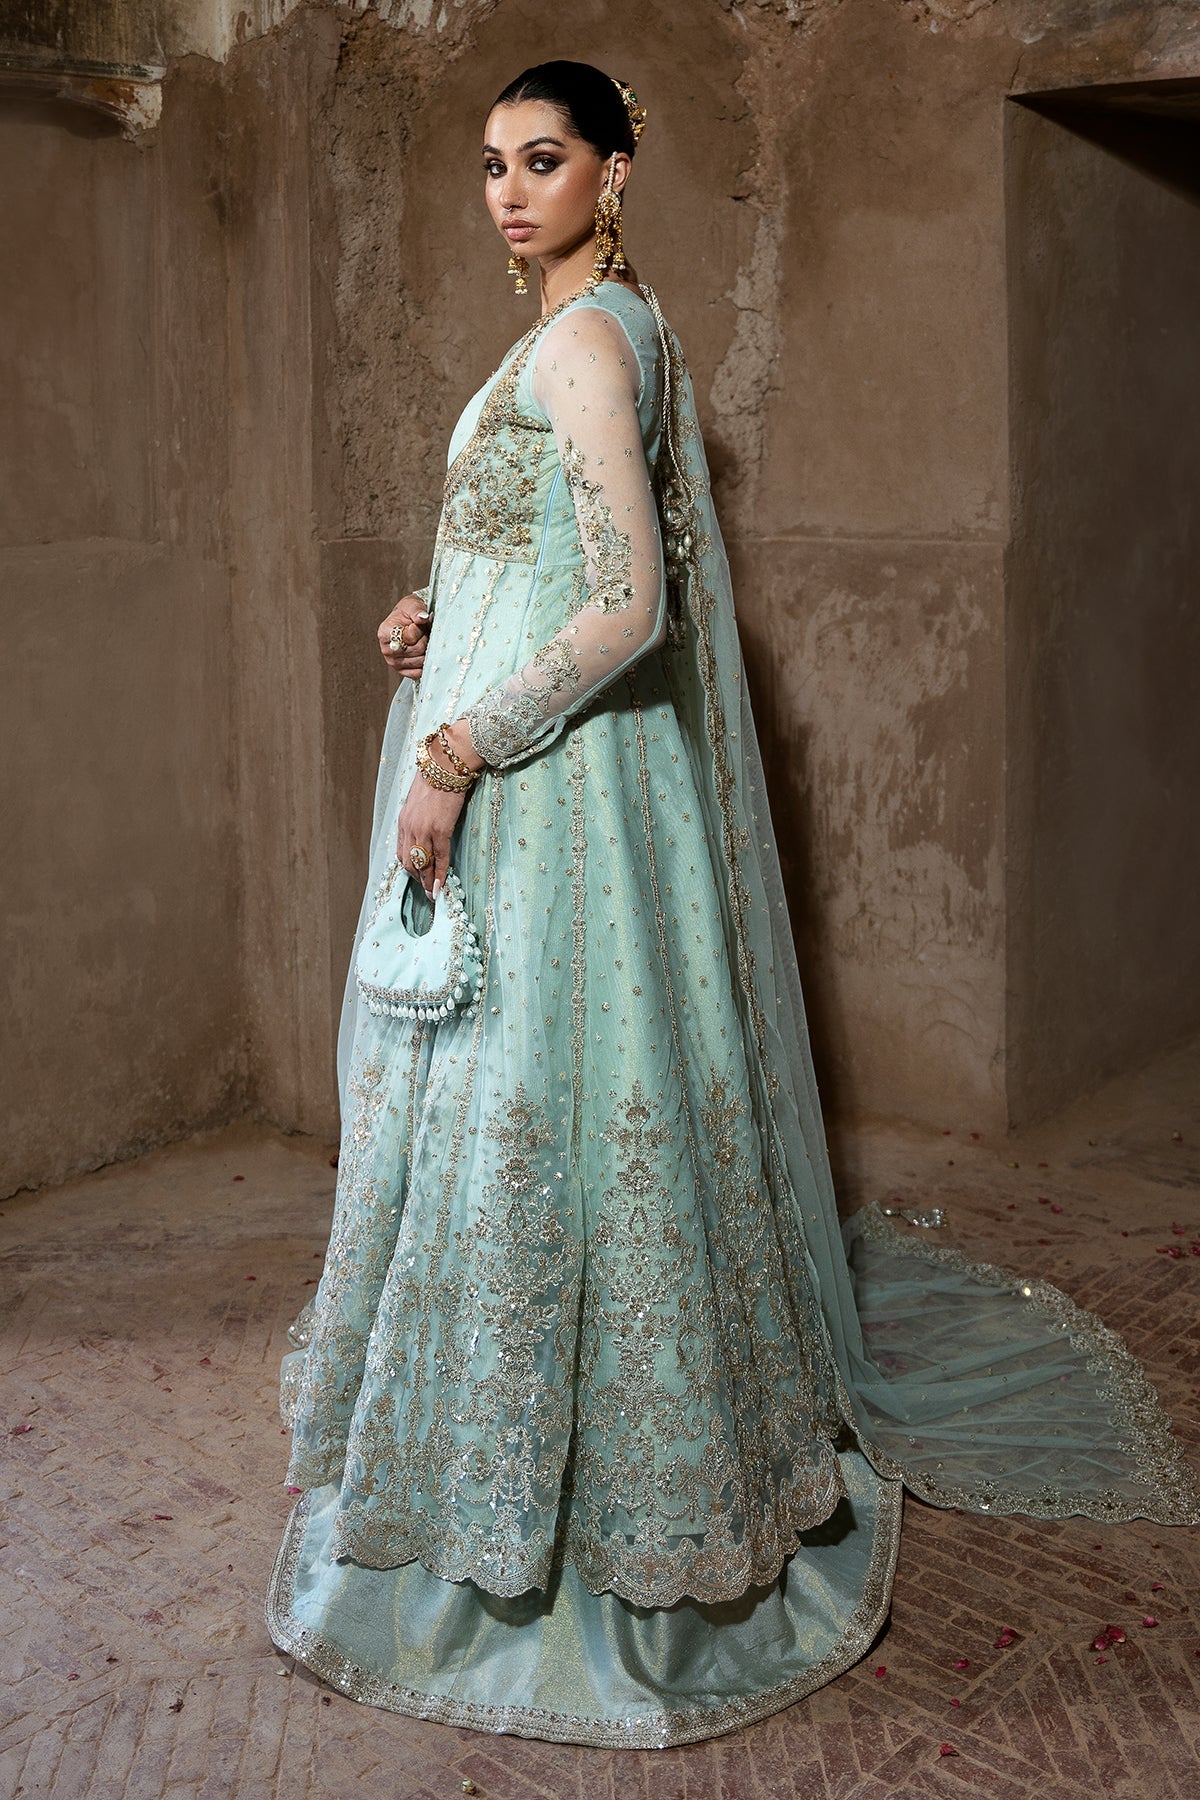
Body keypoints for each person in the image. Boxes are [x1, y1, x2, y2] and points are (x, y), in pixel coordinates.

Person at [265, 61, 1198, 1748]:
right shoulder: (604, 333)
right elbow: (549, 556)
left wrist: (456, 748)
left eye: (544, 160)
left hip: (551, 802)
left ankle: (566, 1524)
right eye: (492, 164)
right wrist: (437, 610)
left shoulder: (587, 339)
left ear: (614, 173)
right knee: (538, 1099)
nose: (508, 191)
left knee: (527, 1101)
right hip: (559, 779)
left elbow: (631, 607)